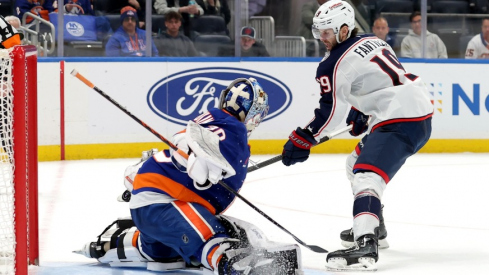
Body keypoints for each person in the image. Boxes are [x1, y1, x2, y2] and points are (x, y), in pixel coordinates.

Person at [74, 78, 302, 274]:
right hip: (162, 203)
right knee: (216, 237)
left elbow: (187, 151)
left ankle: (115, 241)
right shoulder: (234, 130)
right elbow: (197, 157)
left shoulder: (211, 119)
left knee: (164, 254)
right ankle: (232, 265)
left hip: (152, 206)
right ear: (252, 113)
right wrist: (201, 164)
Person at [281, 0, 433, 271]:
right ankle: (376, 227)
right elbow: (378, 78)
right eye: (319, 32)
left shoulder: (333, 64)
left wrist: (304, 137)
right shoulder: (371, 39)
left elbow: (330, 113)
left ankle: (366, 242)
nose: (322, 38)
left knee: (366, 175)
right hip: (415, 112)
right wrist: (361, 109)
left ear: (343, 29)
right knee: (354, 163)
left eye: (327, 32)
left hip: (399, 120)